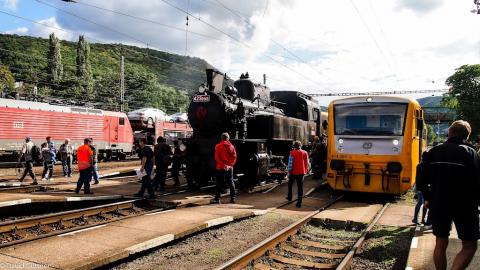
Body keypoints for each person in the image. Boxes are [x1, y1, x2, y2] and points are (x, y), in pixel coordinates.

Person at [418, 120, 480, 270]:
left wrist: (428, 197)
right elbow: (477, 182)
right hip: (465, 206)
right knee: (469, 245)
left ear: (449, 132)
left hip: (439, 204)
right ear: (467, 136)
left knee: (440, 242)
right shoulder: (470, 153)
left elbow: (420, 179)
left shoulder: (434, 151)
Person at [212, 132, 237, 204]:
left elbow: (217, 158)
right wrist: (229, 165)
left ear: (221, 138)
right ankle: (233, 199)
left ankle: (217, 199)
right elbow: (234, 157)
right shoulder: (232, 146)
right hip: (229, 168)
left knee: (219, 183)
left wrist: (223, 166)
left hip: (220, 167)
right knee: (231, 182)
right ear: (228, 138)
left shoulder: (218, 146)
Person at [286, 141, 309, 208]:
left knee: (290, 184)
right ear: (300, 146)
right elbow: (307, 163)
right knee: (300, 188)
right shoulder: (305, 153)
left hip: (293, 172)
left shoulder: (292, 153)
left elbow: (290, 164)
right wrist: (306, 171)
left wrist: (289, 172)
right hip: (301, 172)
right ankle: (299, 203)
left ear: (294, 146)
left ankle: (289, 197)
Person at [412, 152, 429, 225]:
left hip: (420, 187)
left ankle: (417, 219)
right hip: (423, 188)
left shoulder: (419, 165)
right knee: (423, 203)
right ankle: (420, 219)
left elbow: (417, 178)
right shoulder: (426, 166)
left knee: (421, 203)